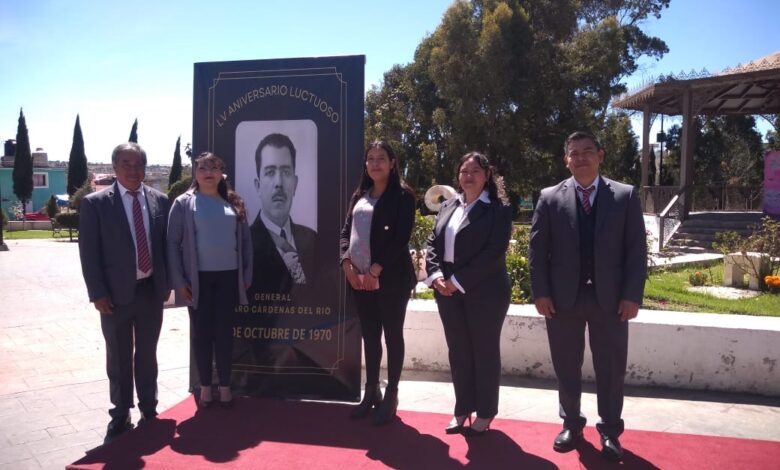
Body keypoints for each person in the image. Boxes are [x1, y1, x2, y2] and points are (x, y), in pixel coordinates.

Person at [529, 131, 647, 461]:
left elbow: (636, 250)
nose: (581, 158)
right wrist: (541, 293)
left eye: (587, 151)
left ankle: (610, 431)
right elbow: (537, 251)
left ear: (600, 155)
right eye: (574, 153)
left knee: (611, 368)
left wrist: (632, 295)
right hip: (562, 300)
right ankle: (571, 424)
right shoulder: (549, 197)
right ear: (566, 160)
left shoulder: (624, 195)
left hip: (611, 300)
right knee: (566, 365)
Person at [78, 142, 170, 440]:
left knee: (147, 354)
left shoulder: (160, 200)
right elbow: (89, 253)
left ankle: (149, 407)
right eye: (126, 164)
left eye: (138, 164)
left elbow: (166, 247)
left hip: (150, 292)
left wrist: (166, 284)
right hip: (114, 297)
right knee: (118, 356)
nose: (133, 170)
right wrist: (97, 293)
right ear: (115, 167)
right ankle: (120, 413)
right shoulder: (95, 203)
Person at [425, 152, 512, 436]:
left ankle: (485, 412)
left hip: (485, 292)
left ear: (487, 176)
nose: (469, 176)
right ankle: (462, 409)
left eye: (475, 171)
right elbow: (433, 242)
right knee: (459, 352)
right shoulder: (448, 205)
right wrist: (437, 276)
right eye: (464, 171)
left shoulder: (498, 209)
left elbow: (493, 252)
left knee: (484, 352)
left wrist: (457, 280)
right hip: (447, 291)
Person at [167, 152, 252, 408]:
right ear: (195, 172)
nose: (208, 172)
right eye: (202, 168)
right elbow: (172, 244)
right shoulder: (184, 203)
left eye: (213, 168)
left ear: (221, 174)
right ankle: (205, 387)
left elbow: (246, 243)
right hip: (197, 281)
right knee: (202, 334)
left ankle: (225, 387)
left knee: (224, 334)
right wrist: (179, 281)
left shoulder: (233, 202)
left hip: (228, 278)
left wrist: (246, 275)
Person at [339, 140, 416, 426]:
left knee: (392, 336)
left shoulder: (403, 196)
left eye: (381, 158)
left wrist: (376, 269)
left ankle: (391, 395)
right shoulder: (360, 194)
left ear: (392, 163)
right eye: (370, 158)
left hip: (391, 280)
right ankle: (371, 392)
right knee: (370, 337)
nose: (375, 163)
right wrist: (346, 263)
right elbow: (346, 232)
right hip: (359, 280)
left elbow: (401, 237)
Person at [250, 133, 316, 294]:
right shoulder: (245, 241)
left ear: (295, 184)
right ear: (258, 186)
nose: (278, 183)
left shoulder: (313, 239)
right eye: (270, 172)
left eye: (286, 172)